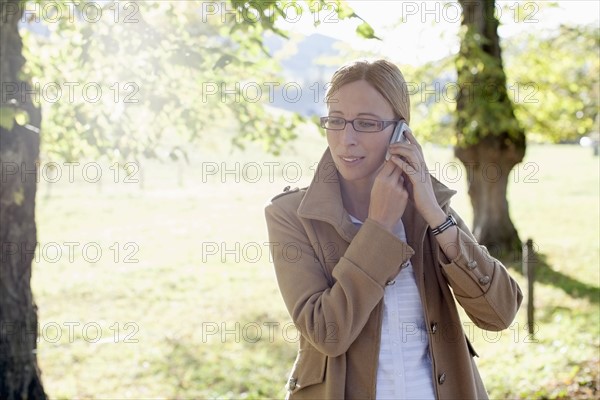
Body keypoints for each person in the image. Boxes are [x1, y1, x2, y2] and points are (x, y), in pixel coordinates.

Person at [264, 59, 522, 399]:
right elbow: (328, 332)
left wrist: (434, 213)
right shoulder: (291, 216)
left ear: (402, 132)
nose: (347, 139)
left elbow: (499, 314)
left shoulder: (429, 207)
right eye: (336, 121)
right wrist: (379, 227)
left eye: (366, 123)